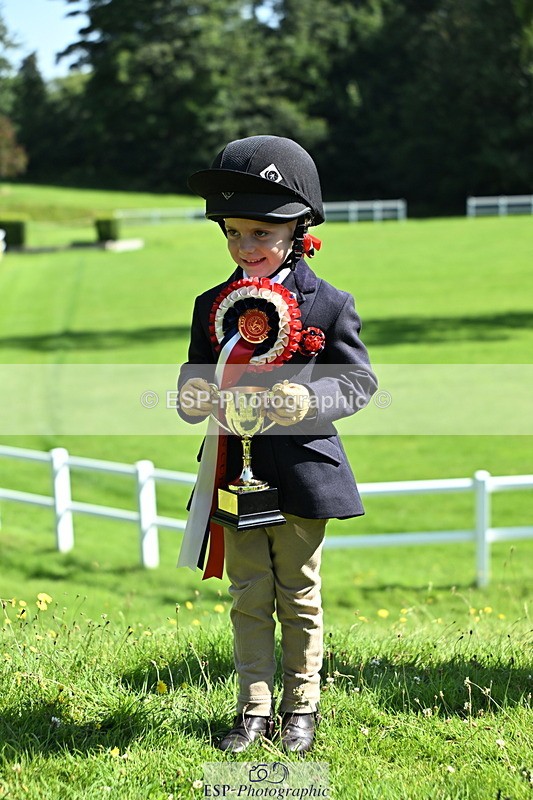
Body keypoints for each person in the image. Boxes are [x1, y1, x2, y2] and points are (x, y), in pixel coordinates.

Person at [177, 135, 377, 753]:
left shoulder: (329, 303)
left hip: (302, 474)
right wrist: (192, 395)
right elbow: (194, 371)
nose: (246, 247)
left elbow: (359, 381)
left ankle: (302, 707)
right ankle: (253, 710)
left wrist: (311, 401)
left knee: (298, 592)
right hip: (234, 477)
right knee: (248, 594)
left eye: (261, 233)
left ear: (299, 230)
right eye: (234, 233)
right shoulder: (213, 305)